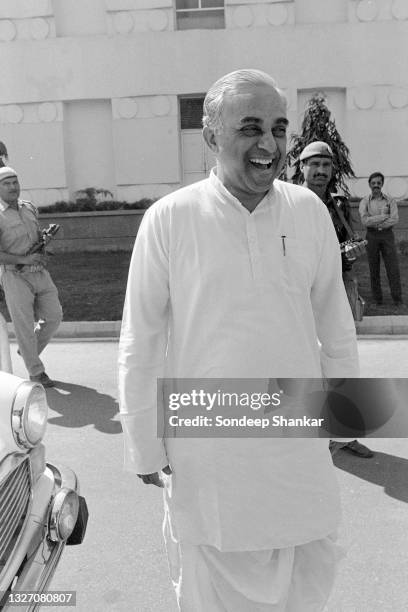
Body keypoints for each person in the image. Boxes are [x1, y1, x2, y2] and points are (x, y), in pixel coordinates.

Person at [118, 69, 359, 611]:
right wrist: (143, 442)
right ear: (210, 136)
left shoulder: (308, 211)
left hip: (297, 438)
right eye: (250, 128)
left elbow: (335, 325)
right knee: (213, 586)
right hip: (208, 448)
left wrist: (346, 413)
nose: (268, 145)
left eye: (278, 128)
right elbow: (142, 339)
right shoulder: (169, 220)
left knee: (307, 573)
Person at [299, 141, 374, 460]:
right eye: (313, 164)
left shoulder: (339, 203)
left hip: (335, 284)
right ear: (301, 168)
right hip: (298, 289)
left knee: (342, 356)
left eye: (326, 166)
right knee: (302, 359)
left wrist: (351, 253)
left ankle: (343, 436)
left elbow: (348, 244)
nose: (319, 171)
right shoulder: (287, 202)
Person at [0, 166, 62, 386]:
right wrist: (24, 260)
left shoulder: (29, 208)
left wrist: (44, 242)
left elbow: (33, 238)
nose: (12, 187)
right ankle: (36, 372)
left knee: (54, 316)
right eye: (6, 183)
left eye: (15, 182)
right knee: (24, 325)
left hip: (40, 272)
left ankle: (28, 350)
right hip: (14, 276)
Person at [359, 172, 403, 307]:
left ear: (382, 184)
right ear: (369, 185)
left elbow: (394, 219)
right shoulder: (364, 201)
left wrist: (376, 221)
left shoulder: (390, 201)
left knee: (392, 268)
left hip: (387, 236)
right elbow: (365, 221)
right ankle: (378, 299)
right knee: (374, 268)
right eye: (373, 183)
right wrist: (384, 216)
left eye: (378, 183)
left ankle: (397, 299)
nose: (376, 185)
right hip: (371, 237)